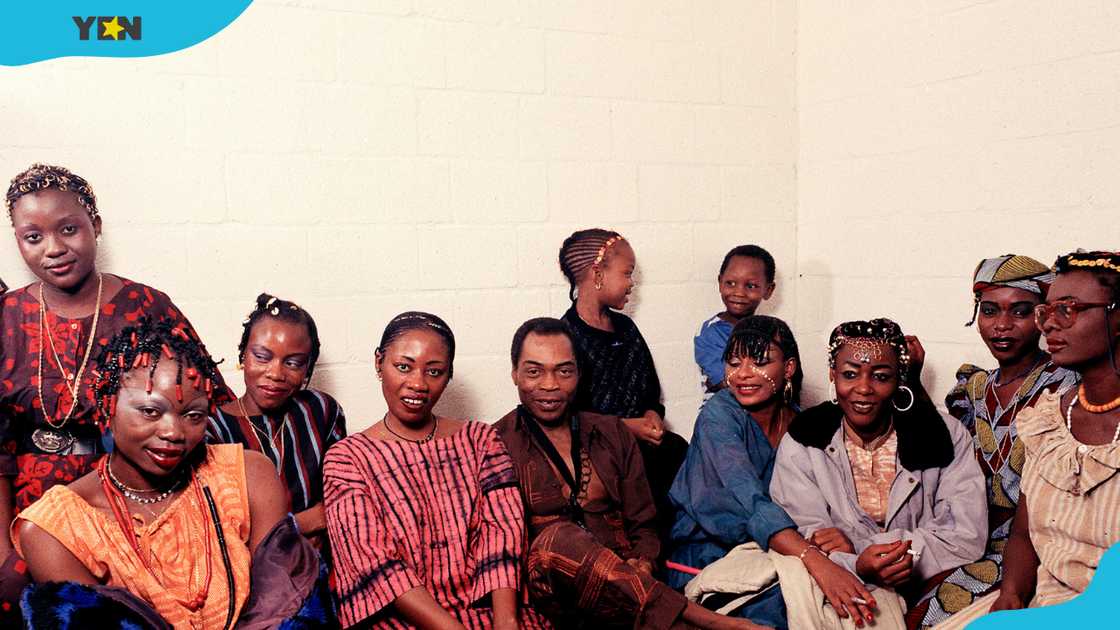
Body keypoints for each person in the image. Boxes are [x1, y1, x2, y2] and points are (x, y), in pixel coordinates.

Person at [0, 164, 229, 622]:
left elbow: (204, 407)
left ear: (95, 226)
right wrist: (3, 547)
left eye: (69, 229)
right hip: (31, 509)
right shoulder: (6, 316)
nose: (55, 249)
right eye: (33, 237)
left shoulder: (147, 307)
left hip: (133, 502)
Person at [12, 318, 329, 628]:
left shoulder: (249, 476)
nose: (173, 432)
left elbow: (286, 607)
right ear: (107, 406)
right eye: (150, 411)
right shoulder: (52, 529)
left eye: (193, 415)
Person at [495, 317, 766, 630]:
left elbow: (644, 523)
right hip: (557, 599)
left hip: (628, 594)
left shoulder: (612, 432)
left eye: (564, 370)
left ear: (579, 374)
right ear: (515, 373)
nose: (549, 384)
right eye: (534, 371)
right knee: (556, 538)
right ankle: (707, 621)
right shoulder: (496, 445)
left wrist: (645, 560)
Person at [323, 312, 549, 629]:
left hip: (490, 612)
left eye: (434, 371)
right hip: (399, 621)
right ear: (378, 363)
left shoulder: (480, 440)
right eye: (403, 367)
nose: (418, 383)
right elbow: (374, 561)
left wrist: (508, 623)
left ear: (448, 374)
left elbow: (503, 534)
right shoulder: (348, 458)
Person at [933, 251, 1120, 628]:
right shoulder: (1049, 419)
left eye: (1069, 309)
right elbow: (1024, 531)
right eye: (1047, 311)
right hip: (1042, 598)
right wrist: (1012, 595)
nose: (1050, 324)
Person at [770, 319, 986, 629]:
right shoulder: (806, 437)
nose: (863, 389)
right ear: (832, 375)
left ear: (899, 379)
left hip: (923, 579)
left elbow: (965, 536)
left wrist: (870, 551)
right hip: (832, 576)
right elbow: (803, 529)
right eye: (849, 374)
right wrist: (857, 563)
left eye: (881, 377)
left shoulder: (942, 435)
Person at [669, 316, 878, 630]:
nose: (743, 374)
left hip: (778, 549)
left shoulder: (802, 423)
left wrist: (838, 535)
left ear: (789, 368)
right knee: (791, 606)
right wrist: (815, 559)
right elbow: (752, 504)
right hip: (705, 555)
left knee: (861, 599)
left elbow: (828, 496)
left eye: (760, 362)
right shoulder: (718, 417)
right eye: (734, 362)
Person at [913, 256, 1077, 628]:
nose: (1001, 326)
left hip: (1031, 545)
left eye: (1019, 312)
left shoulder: (1064, 386)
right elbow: (942, 450)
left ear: (1042, 316)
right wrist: (914, 382)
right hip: (966, 532)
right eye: (989, 311)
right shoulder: (973, 390)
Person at [558, 228, 689, 546]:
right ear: (597, 273)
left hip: (643, 441)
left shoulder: (626, 328)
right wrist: (628, 428)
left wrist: (651, 414)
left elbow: (650, 391)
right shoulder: (565, 335)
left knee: (678, 449)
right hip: (598, 448)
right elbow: (567, 414)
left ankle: (681, 554)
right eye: (627, 273)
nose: (632, 284)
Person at [207, 293, 346, 548]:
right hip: (253, 575)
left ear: (308, 368)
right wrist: (302, 523)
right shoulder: (213, 429)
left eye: (293, 363)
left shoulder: (321, 411)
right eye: (262, 357)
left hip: (324, 569)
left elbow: (341, 504)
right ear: (243, 356)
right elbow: (225, 531)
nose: (275, 373)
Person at [695, 246, 776, 398]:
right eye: (730, 283)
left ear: (768, 290)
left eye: (750, 286)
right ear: (720, 282)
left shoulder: (771, 331)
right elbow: (731, 381)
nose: (739, 292)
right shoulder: (711, 332)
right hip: (725, 414)